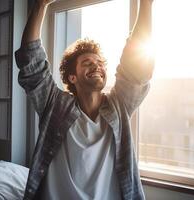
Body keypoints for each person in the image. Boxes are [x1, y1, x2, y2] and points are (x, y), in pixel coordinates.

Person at [15, 0, 154, 199]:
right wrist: (40, 5)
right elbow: (31, 63)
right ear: (72, 77)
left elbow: (138, 67)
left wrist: (146, 4)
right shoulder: (56, 106)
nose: (97, 66)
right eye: (87, 63)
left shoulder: (118, 106)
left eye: (100, 63)